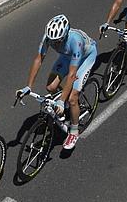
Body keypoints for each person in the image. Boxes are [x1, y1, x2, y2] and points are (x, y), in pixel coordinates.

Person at [19, 15, 97, 152]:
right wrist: (28, 86)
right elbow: (38, 59)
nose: (54, 45)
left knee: (73, 98)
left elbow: (72, 75)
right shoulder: (48, 37)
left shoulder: (75, 41)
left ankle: (73, 131)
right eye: (53, 42)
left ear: (65, 35)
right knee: (51, 87)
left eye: (58, 42)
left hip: (85, 57)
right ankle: (65, 105)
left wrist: (61, 101)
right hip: (67, 57)